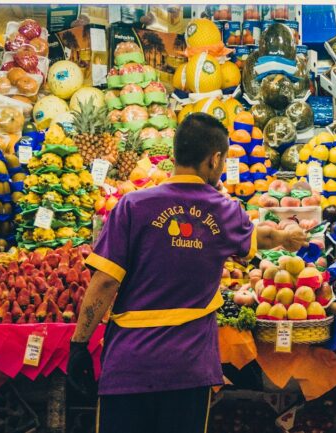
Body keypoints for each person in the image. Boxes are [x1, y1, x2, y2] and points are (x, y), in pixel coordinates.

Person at [67, 113, 309, 433]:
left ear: (176, 154)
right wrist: (284, 237)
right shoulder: (224, 211)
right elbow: (256, 237)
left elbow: (106, 280)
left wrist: (79, 345)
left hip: (129, 364)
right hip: (188, 367)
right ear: (214, 159)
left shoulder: (131, 206)